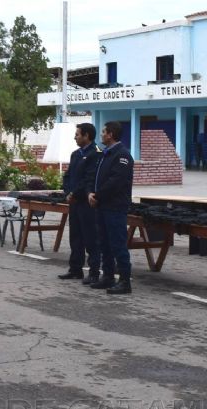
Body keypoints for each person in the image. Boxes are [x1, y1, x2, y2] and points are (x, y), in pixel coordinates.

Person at [87, 121, 134, 295]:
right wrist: (91, 193)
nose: (101, 135)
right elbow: (96, 177)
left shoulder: (122, 156)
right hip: (102, 205)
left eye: (104, 132)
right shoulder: (105, 154)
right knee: (104, 243)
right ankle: (107, 276)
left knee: (118, 244)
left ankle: (124, 281)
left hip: (114, 207)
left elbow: (115, 182)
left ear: (111, 134)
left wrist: (97, 195)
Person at [59, 123, 101, 285]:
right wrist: (67, 193)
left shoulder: (95, 154)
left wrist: (75, 193)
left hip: (86, 203)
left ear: (87, 136)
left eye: (77, 134)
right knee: (75, 237)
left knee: (90, 238)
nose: (75, 137)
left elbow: (89, 179)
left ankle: (94, 272)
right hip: (74, 202)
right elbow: (67, 176)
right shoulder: (76, 154)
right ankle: (75, 269)